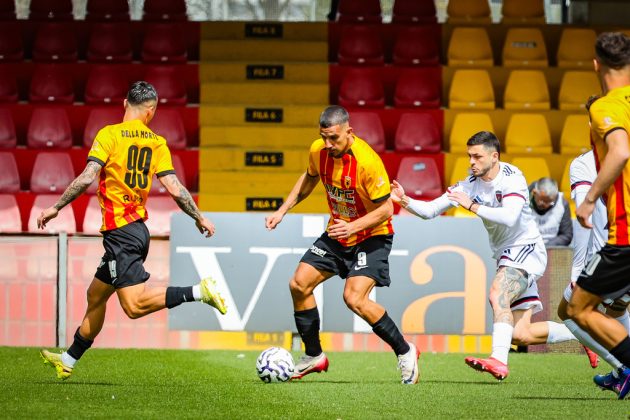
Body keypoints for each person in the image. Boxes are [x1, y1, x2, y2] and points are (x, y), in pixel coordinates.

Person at [38, 81, 227, 380]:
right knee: (95, 295)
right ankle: (69, 360)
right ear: (151, 111)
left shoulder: (109, 134)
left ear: (125, 103)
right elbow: (175, 188)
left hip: (122, 234)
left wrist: (56, 207)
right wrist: (199, 217)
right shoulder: (157, 143)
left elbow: (87, 177)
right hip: (135, 230)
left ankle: (199, 291)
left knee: (134, 306)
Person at [391, 131, 580, 381]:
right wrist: (404, 200)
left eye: (477, 156)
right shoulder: (469, 184)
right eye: (469, 156)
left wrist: (471, 205)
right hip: (505, 253)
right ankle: (585, 335)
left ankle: (499, 360)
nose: (472, 162)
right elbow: (430, 210)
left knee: (497, 293)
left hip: (526, 248)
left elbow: (509, 217)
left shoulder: (512, 177)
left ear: (494, 156)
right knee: (520, 334)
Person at [265, 105, 420, 384]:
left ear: (350, 132)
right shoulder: (319, 151)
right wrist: (282, 210)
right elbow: (309, 177)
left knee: (354, 298)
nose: (327, 144)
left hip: (372, 235)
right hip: (338, 233)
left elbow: (386, 210)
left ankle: (405, 350)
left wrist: (352, 227)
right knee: (299, 284)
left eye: (333, 138)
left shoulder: (367, 162)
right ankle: (314, 355)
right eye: (323, 137)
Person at [567, 31, 630, 399]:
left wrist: (589, 199)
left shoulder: (605, 107)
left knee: (577, 307)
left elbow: (620, 151)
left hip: (625, 233)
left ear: (596, 65)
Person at [557, 150, 630, 397]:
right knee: (617, 309)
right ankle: (621, 373)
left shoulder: (585, 163)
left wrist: (577, 268)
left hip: (611, 255)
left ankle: (623, 367)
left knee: (569, 310)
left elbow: (583, 216)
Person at [529, 177, 573, 246]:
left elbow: (566, 235)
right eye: (541, 199)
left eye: (548, 202)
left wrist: (546, 247)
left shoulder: (562, 204)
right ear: (534, 192)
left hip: (551, 247)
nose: (543, 204)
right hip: (527, 246)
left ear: (554, 197)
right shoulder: (523, 201)